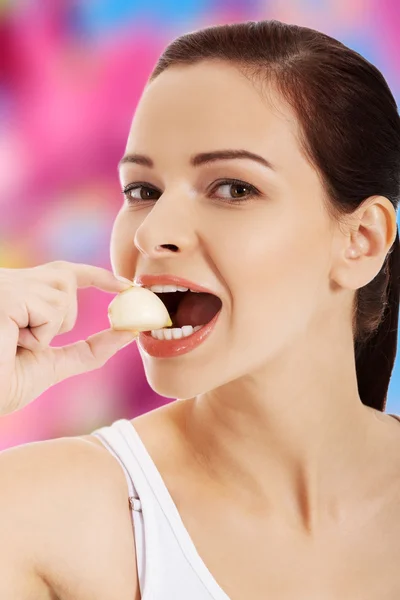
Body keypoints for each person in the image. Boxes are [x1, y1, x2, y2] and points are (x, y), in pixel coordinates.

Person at [1, 18, 400, 599]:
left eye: (233, 188)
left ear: (360, 239)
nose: (151, 233)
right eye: (142, 191)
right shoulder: (41, 515)